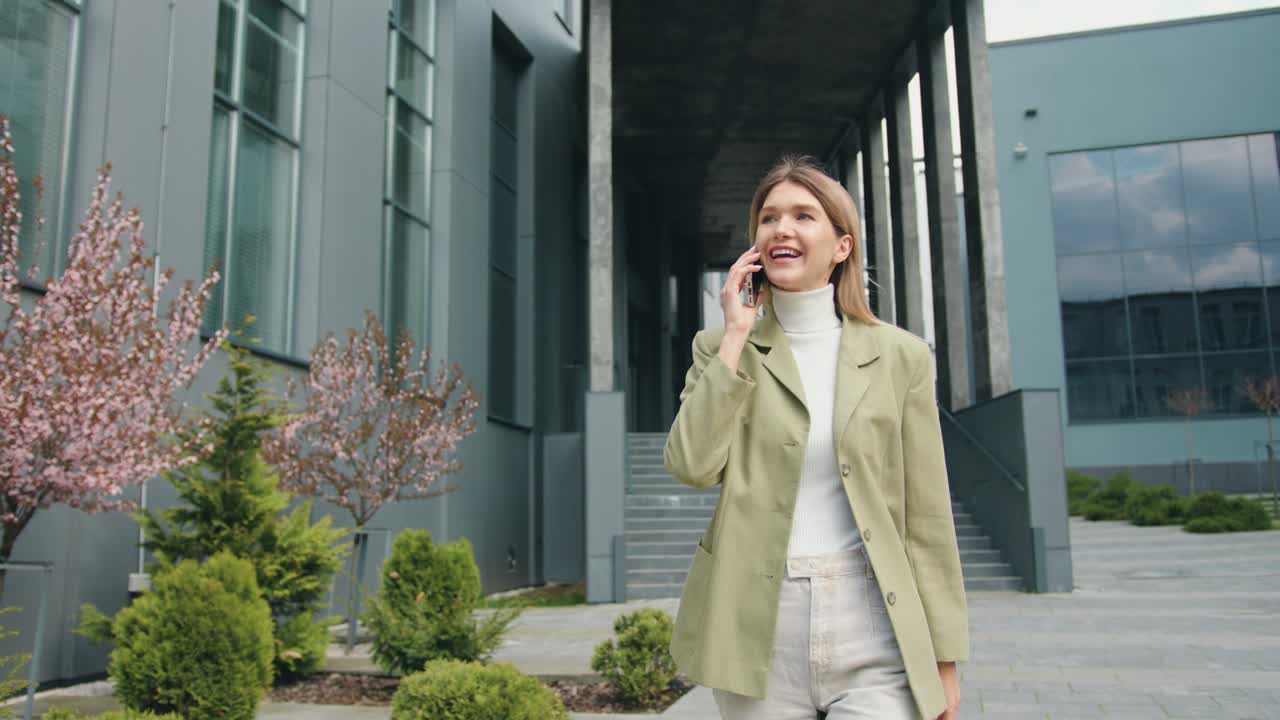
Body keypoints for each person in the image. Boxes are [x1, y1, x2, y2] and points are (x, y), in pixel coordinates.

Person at [663, 155, 967, 720]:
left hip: (874, 620)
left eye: (804, 216)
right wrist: (735, 335)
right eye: (770, 217)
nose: (782, 228)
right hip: (757, 625)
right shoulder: (718, 348)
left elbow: (927, 515)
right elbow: (691, 464)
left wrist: (944, 658)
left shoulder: (901, 356)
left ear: (842, 246)